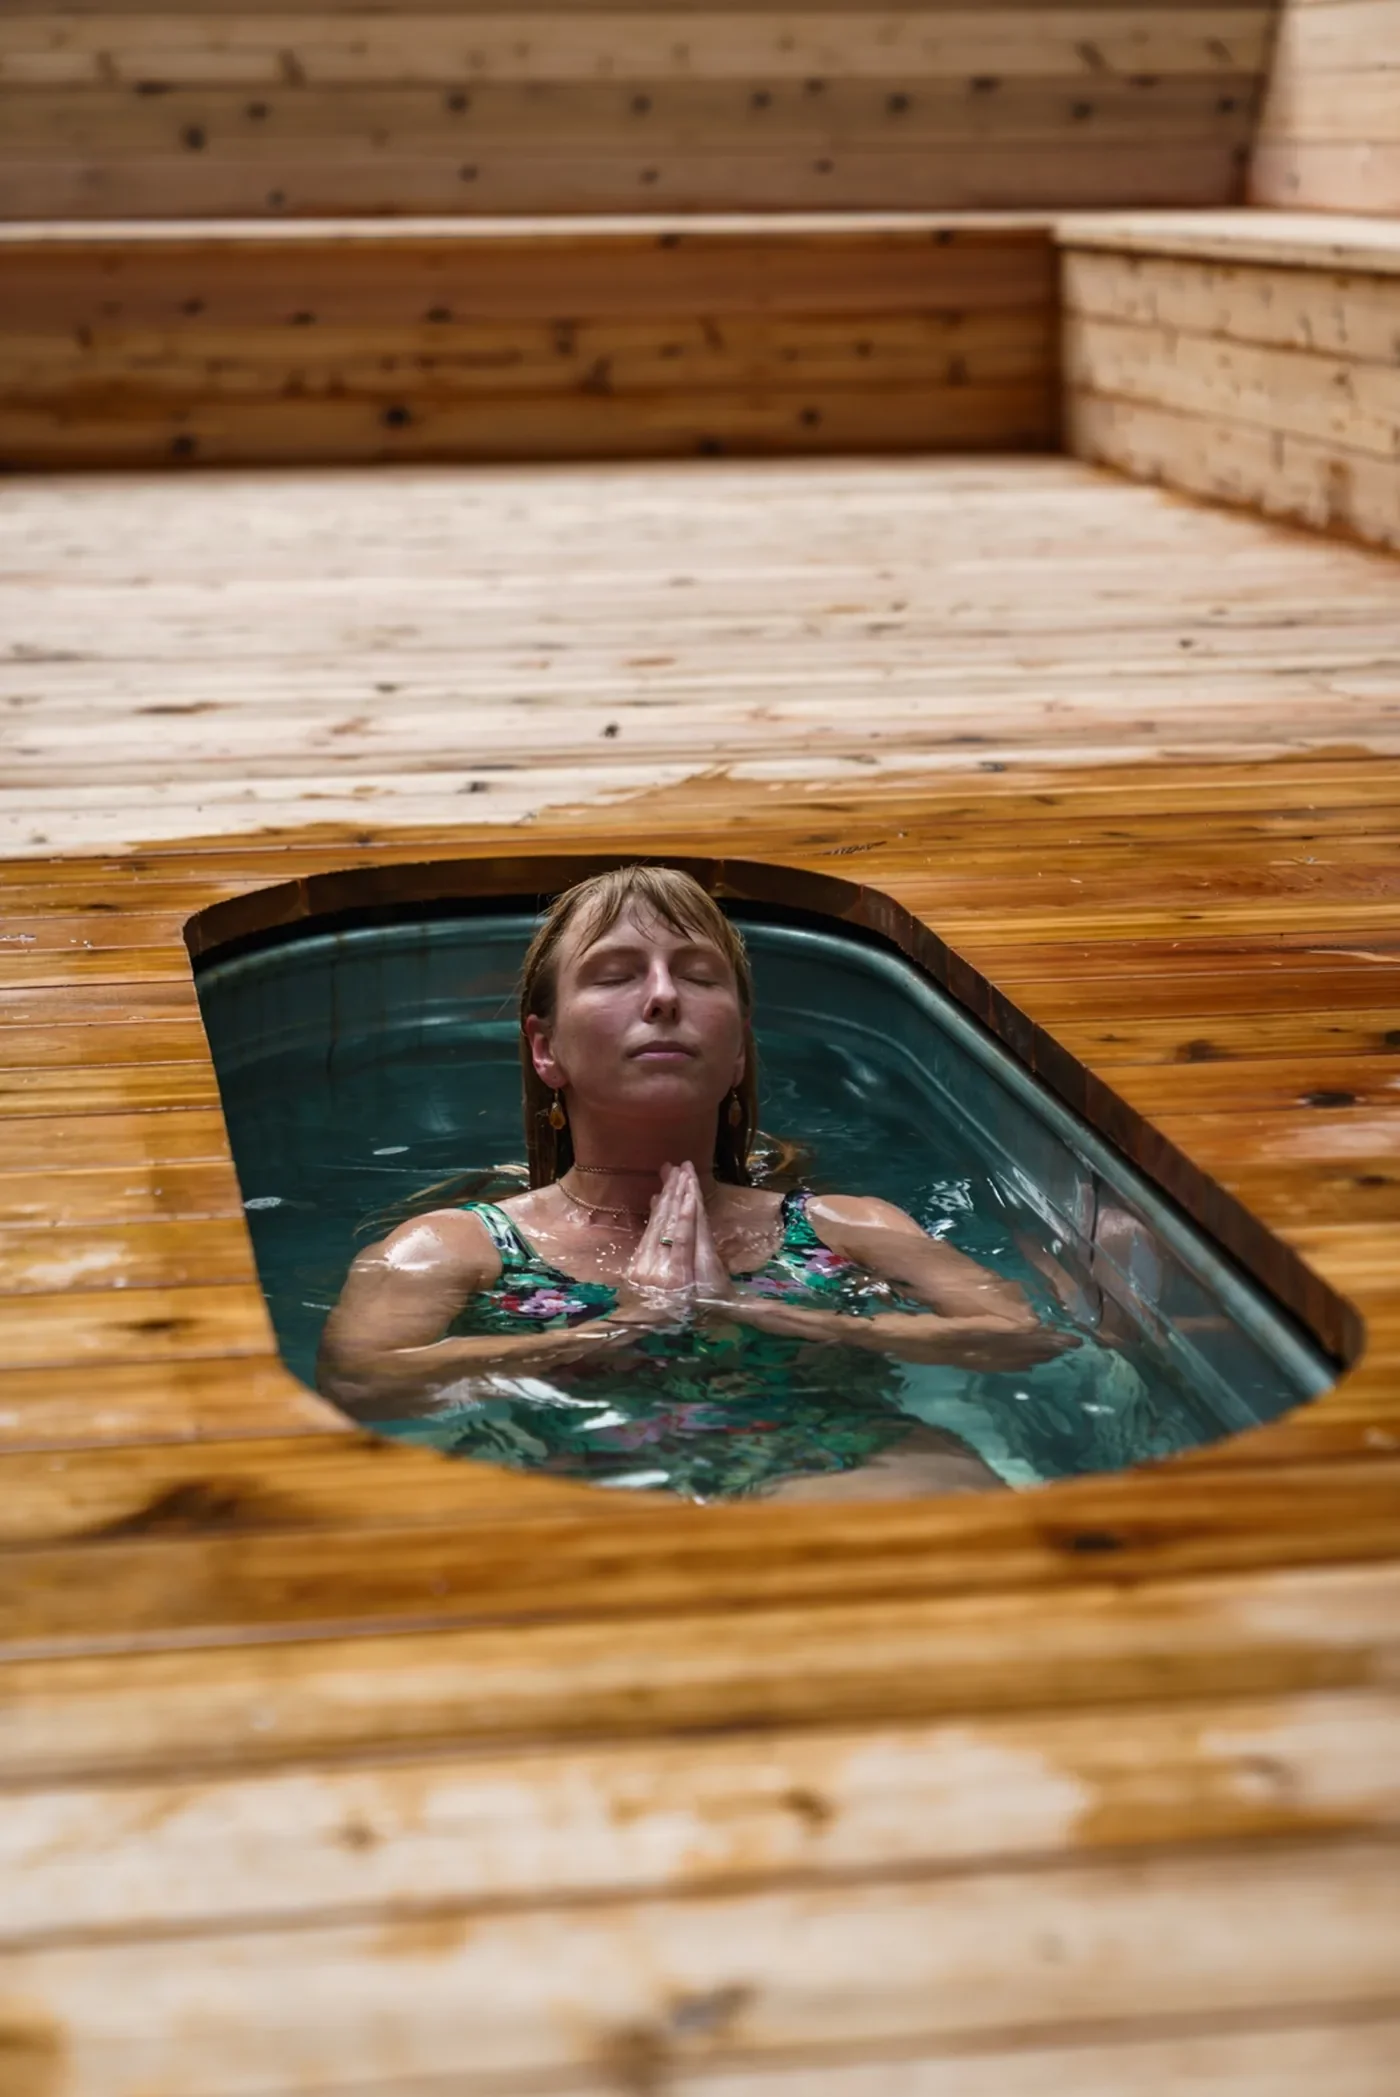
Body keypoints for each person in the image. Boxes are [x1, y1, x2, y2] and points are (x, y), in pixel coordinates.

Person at [318, 866, 1070, 1501]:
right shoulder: (455, 1246)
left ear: (739, 1047)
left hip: (843, 1467)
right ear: (546, 1049)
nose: (663, 996)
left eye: (698, 975)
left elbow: (1022, 1339)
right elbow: (363, 1385)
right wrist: (625, 1325)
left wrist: (765, 1314)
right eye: (616, 975)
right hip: (579, 1480)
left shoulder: (848, 1226)